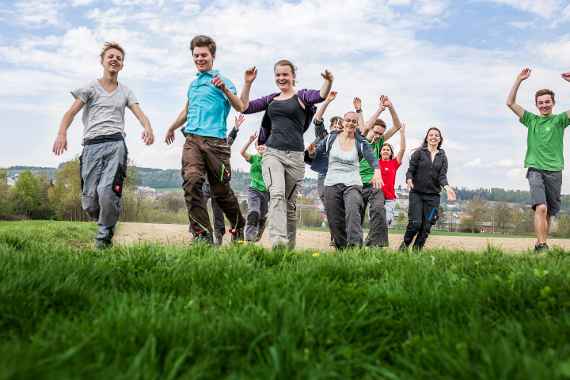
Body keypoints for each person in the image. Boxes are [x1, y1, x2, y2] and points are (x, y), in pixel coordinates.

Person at [52, 41, 155, 249]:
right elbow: (71, 112)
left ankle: (103, 238)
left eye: (119, 58)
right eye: (111, 56)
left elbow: (140, 114)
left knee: (107, 192)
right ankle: (107, 219)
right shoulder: (90, 88)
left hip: (115, 144)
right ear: (102, 61)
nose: (114, 59)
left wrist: (148, 127)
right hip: (91, 147)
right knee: (90, 201)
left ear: (122, 65)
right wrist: (61, 133)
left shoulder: (126, 91)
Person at [240, 60, 333, 249]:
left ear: (292, 76)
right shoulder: (271, 99)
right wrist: (248, 83)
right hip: (272, 152)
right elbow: (245, 107)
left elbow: (321, 95)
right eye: (278, 75)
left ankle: (288, 251)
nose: (281, 78)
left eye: (285, 74)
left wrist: (328, 82)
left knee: (290, 206)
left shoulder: (302, 96)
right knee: (276, 195)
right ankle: (278, 243)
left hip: (296, 157)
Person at [164, 35, 246, 244]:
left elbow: (240, 106)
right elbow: (187, 109)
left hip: (216, 144)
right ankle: (202, 235)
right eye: (196, 55)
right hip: (192, 139)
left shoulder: (224, 81)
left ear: (213, 56)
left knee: (221, 192)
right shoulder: (193, 85)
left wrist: (224, 89)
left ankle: (238, 225)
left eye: (204, 55)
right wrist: (172, 127)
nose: (199, 58)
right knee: (191, 183)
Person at [506, 68, 570, 252]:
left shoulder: (559, 120)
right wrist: (519, 79)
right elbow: (510, 102)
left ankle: (539, 243)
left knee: (548, 213)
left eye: (547, 102)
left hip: (555, 170)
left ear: (553, 103)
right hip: (535, 169)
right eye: (540, 103)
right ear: (536, 104)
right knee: (540, 208)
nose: (544, 105)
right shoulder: (531, 120)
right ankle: (542, 245)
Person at [308, 111, 382, 249]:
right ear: (343, 122)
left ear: (357, 124)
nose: (351, 123)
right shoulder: (331, 138)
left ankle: (355, 248)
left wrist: (377, 171)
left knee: (353, 210)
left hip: (352, 182)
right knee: (334, 219)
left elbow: (372, 157)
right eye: (348, 120)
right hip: (331, 182)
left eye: (354, 121)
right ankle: (342, 249)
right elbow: (318, 151)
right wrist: (312, 152)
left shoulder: (361, 142)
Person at [357, 96, 402, 248]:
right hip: (356, 182)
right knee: (356, 215)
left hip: (374, 184)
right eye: (375, 132)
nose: (377, 136)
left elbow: (396, 126)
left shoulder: (380, 142)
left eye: (380, 134)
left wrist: (390, 107)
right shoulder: (360, 140)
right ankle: (353, 245)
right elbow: (363, 126)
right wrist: (378, 110)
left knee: (378, 210)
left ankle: (375, 245)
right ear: (370, 128)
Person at [400, 127, 456, 251]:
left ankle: (416, 253)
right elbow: (410, 171)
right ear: (427, 137)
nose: (434, 137)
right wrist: (409, 179)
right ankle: (403, 248)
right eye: (431, 135)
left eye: (437, 135)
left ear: (440, 139)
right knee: (415, 223)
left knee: (426, 227)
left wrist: (447, 187)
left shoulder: (442, 156)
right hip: (417, 195)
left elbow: (442, 176)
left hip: (433, 198)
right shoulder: (419, 153)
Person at [202, 114, 245, 245]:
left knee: (218, 212)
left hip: (218, 184)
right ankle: (198, 233)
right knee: (198, 204)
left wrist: (236, 128)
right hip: (205, 184)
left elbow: (230, 140)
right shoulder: (201, 144)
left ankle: (219, 237)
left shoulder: (221, 146)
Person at [307, 90, 342, 246]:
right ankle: (335, 236)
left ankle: (342, 235)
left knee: (341, 207)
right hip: (324, 175)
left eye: (339, 125)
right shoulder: (324, 136)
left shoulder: (346, 140)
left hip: (341, 176)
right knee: (329, 206)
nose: (336, 127)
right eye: (333, 125)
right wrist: (327, 101)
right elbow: (317, 120)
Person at [240, 132, 269, 242]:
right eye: (259, 144)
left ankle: (258, 232)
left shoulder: (271, 160)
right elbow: (242, 152)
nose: (261, 145)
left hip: (266, 193)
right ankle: (249, 238)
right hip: (254, 190)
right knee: (254, 211)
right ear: (256, 147)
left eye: (264, 144)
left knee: (262, 216)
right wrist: (249, 141)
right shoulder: (254, 158)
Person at [380, 123, 406, 227]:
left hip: (389, 198)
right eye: (383, 149)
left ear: (391, 153)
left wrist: (402, 133)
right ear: (380, 152)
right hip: (377, 196)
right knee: (376, 219)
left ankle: (383, 236)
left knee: (386, 219)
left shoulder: (394, 163)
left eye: (388, 150)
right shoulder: (375, 163)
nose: (385, 151)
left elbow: (402, 149)